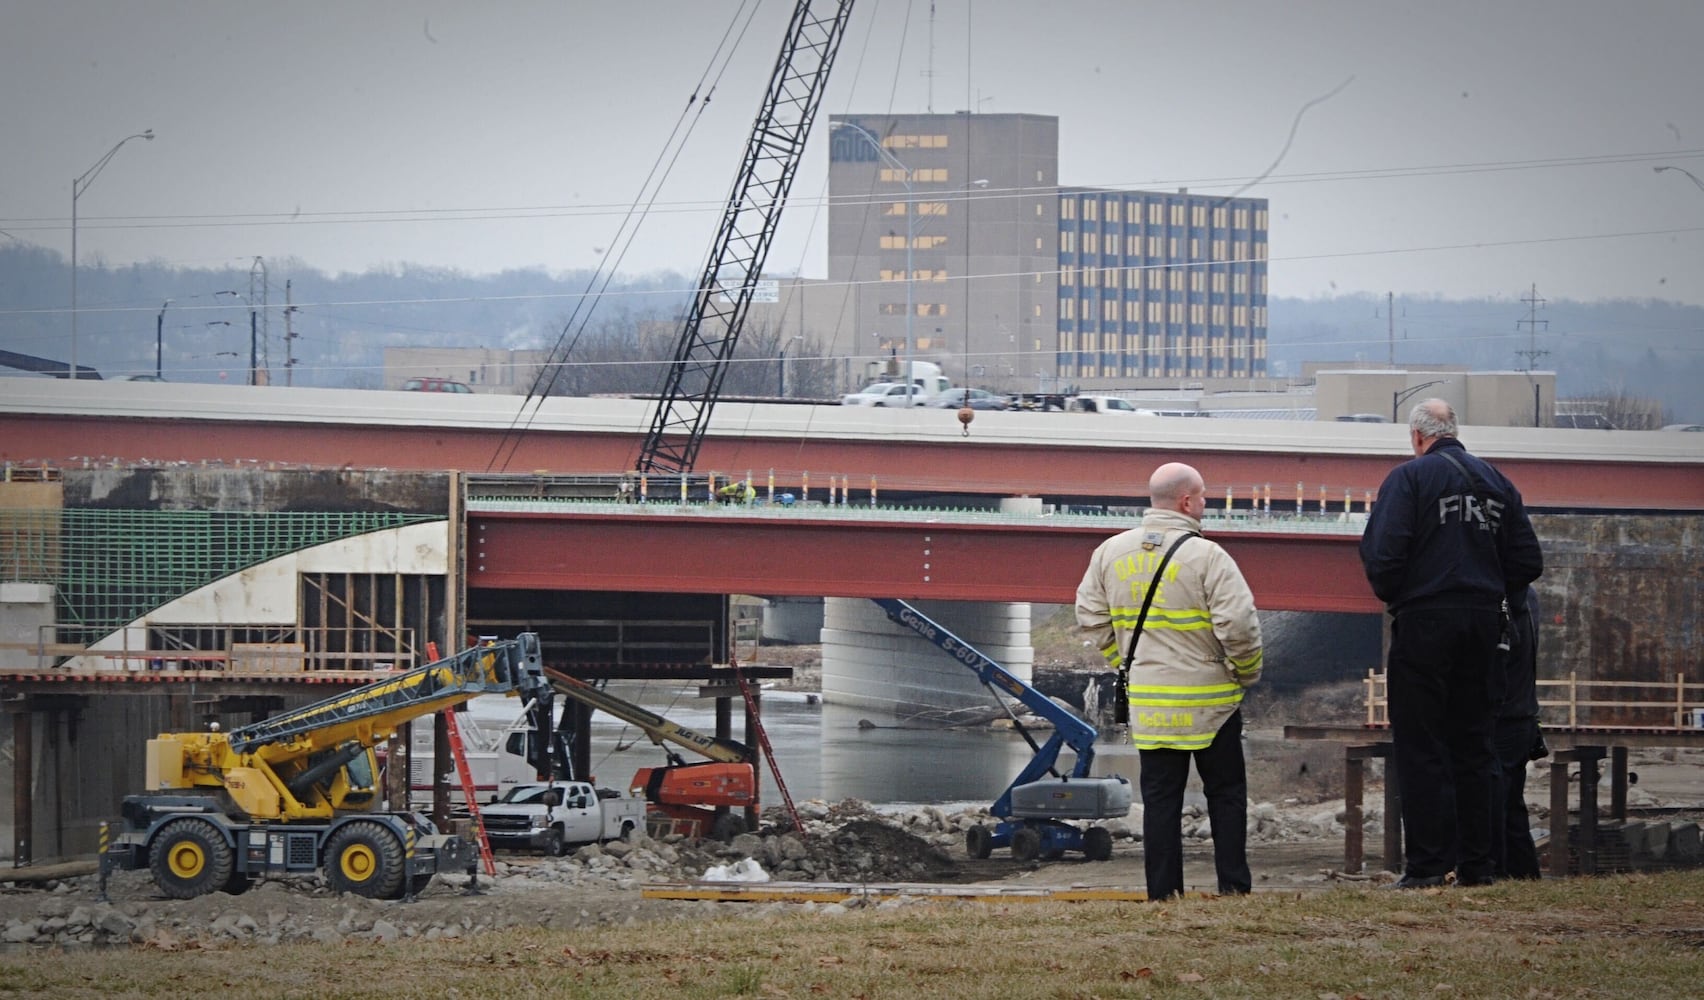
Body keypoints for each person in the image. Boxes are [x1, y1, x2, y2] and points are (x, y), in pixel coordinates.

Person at [1360, 399, 1543, 889]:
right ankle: (1477, 866)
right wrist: (1489, 587)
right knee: (1475, 743)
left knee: (1421, 744)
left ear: (1417, 437)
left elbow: (1383, 555)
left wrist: (1406, 594)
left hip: (1426, 621)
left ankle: (1425, 866)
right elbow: (1528, 561)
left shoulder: (1410, 479)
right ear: (1453, 431)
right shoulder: (1499, 483)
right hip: (1485, 625)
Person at [1076, 462, 1264, 900]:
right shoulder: (1209, 557)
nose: (1205, 504)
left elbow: (1090, 616)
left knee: (1161, 801)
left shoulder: (1110, 554)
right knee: (1226, 795)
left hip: (1151, 705)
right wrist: (1245, 672)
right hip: (1211, 706)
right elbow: (1239, 624)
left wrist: (1125, 658)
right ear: (1186, 501)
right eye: (1202, 497)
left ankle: (1163, 894)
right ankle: (1233, 887)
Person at [1492, 585, 1544, 880]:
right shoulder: (1526, 595)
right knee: (1511, 804)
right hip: (1521, 713)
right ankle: (1524, 875)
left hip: (1504, 715)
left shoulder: (1501, 599)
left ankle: (1496, 873)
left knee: (1495, 801)